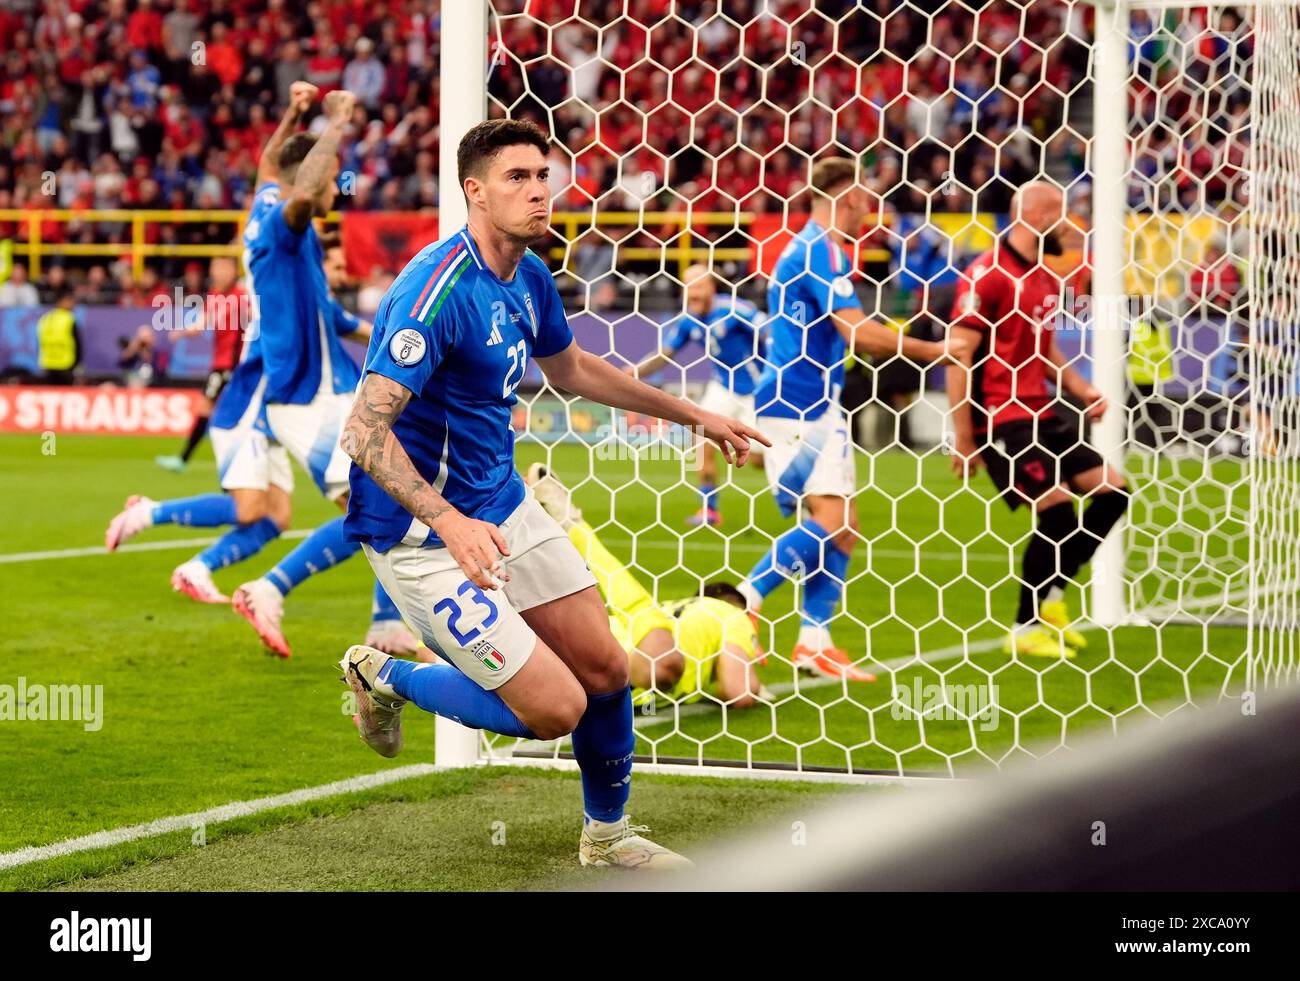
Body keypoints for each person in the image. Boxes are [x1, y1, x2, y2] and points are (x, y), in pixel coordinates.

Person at [338, 119, 766, 869]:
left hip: (502, 502)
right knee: (554, 709)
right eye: (516, 178)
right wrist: (449, 522)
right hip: (421, 534)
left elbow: (570, 370)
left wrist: (692, 410)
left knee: (606, 668)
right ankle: (384, 673)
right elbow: (363, 434)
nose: (538, 191)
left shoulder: (530, 273)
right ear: (473, 191)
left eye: (543, 175)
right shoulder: (434, 292)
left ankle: (607, 835)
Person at [738, 157, 965, 681]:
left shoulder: (811, 247)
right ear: (847, 197)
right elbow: (858, 332)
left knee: (844, 529)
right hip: (799, 404)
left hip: (812, 399)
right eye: (865, 197)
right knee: (835, 523)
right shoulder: (822, 250)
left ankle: (814, 643)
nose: (871, 208)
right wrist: (934, 350)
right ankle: (745, 600)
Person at [224, 88, 417, 660]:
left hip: (331, 394)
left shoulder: (273, 212)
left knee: (391, 502)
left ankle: (385, 624)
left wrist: (294, 111)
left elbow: (270, 165)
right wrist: (335, 122)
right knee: (376, 508)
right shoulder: (283, 231)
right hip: (305, 399)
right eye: (333, 178)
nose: (337, 189)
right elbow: (302, 187)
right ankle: (267, 590)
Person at [946, 181, 1130, 658]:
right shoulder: (986, 274)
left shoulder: (1045, 280)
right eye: (1062, 215)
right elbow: (958, 354)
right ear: (1040, 215)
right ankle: (1025, 628)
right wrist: (964, 438)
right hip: (998, 416)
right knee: (1058, 509)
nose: (1067, 225)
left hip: (1041, 410)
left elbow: (1040, 346)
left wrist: (1079, 386)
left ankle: (1051, 599)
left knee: (1113, 491)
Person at [526, 464, 767, 709]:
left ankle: (538, 528)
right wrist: (750, 676)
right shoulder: (731, 616)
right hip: (631, 666)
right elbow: (740, 693)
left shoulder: (676, 614)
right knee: (661, 662)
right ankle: (571, 524)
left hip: (594, 649)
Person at [625, 264, 767, 527]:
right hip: (723, 387)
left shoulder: (735, 309)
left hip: (756, 392)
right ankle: (709, 510)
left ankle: (797, 487)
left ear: (712, 288)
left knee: (758, 460)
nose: (693, 292)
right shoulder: (688, 319)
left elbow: (771, 331)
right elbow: (665, 354)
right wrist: (631, 373)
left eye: (699, 286)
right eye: (689, 286)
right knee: (700, 438)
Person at [156, 256, 247, 473]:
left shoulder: (243, 296)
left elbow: (253, 320)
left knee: (209, 408)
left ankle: (185, 459)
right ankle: (189, 459)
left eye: (223, 268)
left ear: (234, 271)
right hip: (220, 364)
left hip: (233, 365)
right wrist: (182, 332)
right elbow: (201, 324)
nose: (218, 273)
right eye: (215, 268)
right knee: (223, 411)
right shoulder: (215, 295)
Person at [37, 288, 81, 384]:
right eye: (70, 300)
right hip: (65, 364)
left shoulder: (45, 318)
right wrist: (77, 362)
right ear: (61, 301)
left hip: (47, 363)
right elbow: (77, 343)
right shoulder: (69, 318)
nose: (73, 304)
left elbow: (39, 341)